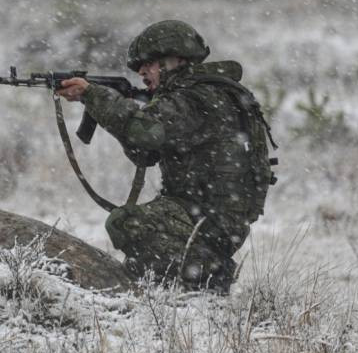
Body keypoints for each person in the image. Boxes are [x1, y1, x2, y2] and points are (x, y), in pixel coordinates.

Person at [56, 20, 275, 292]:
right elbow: (145, 154)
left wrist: (94, 96)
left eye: (149, 64)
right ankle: (172, 285)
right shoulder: (194, 94)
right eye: (139, 68)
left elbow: (147, 132)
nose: (142, 72)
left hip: (211, 218)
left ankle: (206, 279)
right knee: (137, 245)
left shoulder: (197, 97)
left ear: (174, 60)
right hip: (206, 212)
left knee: (127, 224)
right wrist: (107, 106)